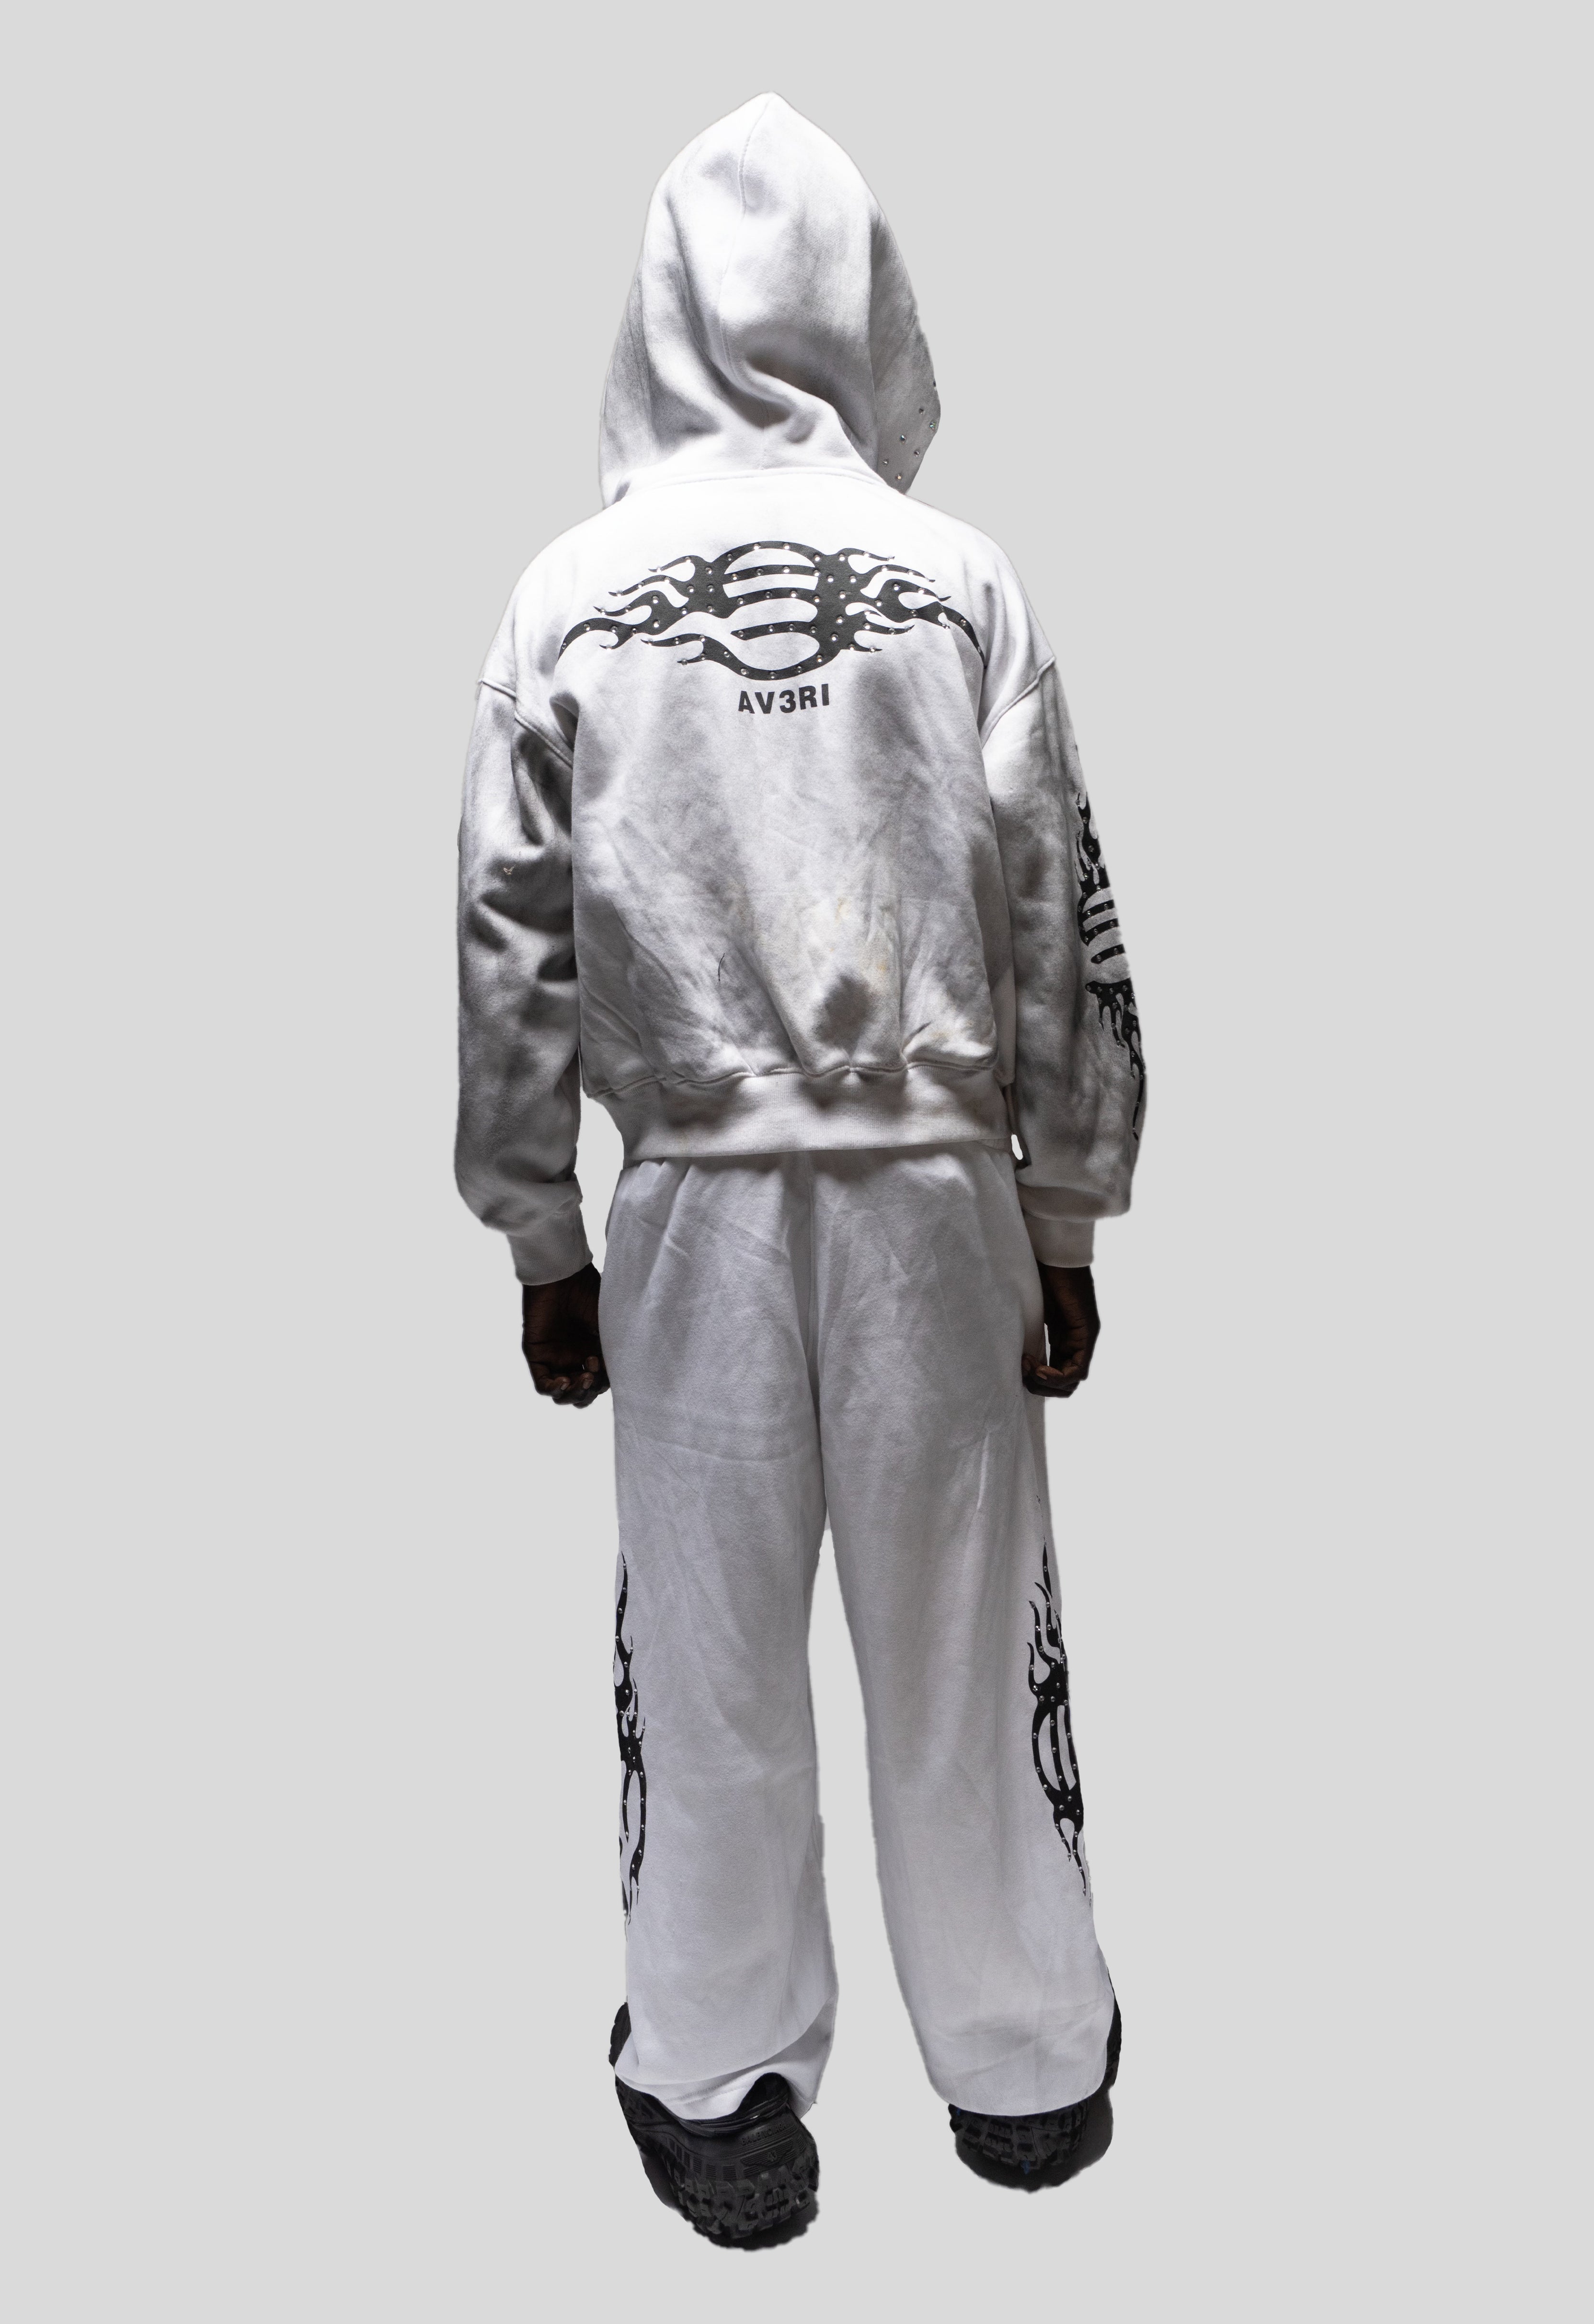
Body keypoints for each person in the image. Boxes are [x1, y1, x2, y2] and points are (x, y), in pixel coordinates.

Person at [455, 92, 1146, 2243]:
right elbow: (1056, 911)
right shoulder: (963, 583)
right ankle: (1027, 2071)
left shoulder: (567, 600)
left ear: (657, 307)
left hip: (694, 1207)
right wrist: (1063, 1206)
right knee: (965, 1632)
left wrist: (541, 1229)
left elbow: (505, 938)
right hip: (939, 1192)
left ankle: (722, 2075)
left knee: (712, 1653)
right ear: (868, 303)